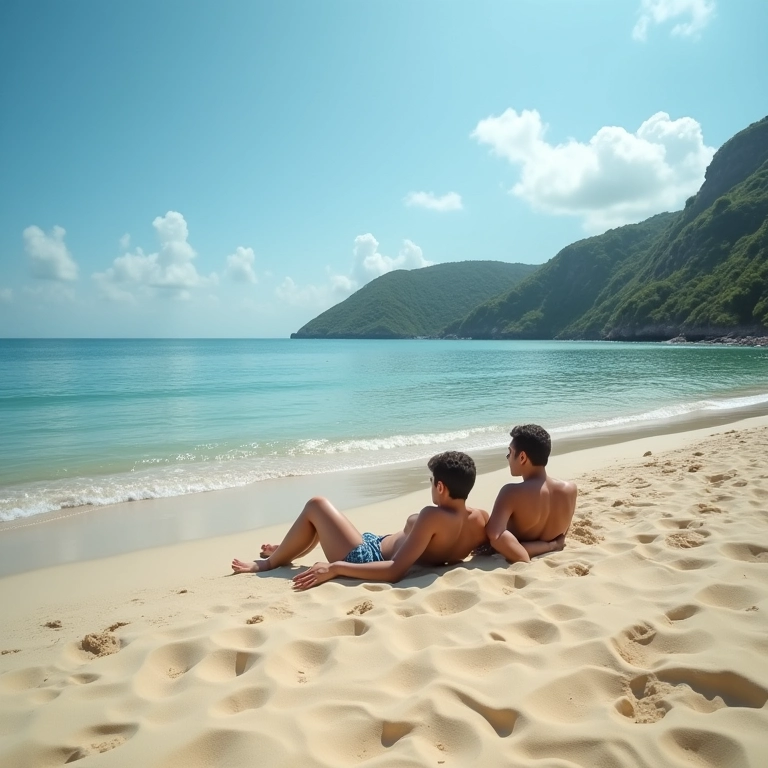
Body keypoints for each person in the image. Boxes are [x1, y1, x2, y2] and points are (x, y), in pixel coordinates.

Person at [232, 451, 489, 590]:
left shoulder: (432, 516)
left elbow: (394, 571)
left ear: (441, 487)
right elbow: (489, 543)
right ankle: (287, 548)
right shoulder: (480, 520)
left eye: (431, 482)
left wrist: (336, 568)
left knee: (317, 505)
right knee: (325, 525)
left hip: (366, 557)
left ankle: (268, 564)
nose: (430, 486)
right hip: (376, 543)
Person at [485, 424, 577, 563]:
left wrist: (548, 546)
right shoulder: (570, 489)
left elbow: (496, 538)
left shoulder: (511, 493)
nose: (507, 456)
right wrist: (552, 545)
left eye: (510, 452)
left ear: (522, 457)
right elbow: (563, 535)